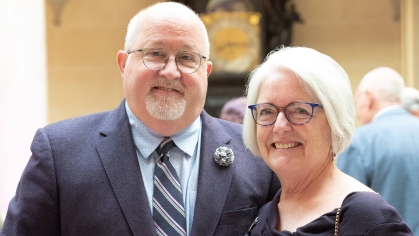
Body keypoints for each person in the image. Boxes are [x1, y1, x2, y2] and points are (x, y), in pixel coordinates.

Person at [0, 2, 280, 236]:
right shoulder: (59, 153)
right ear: (123, 64)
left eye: (186, 57)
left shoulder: (256, 154)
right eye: (155, 54)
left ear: (205, 71)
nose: (171, 71)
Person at [242, 47, 412, 235]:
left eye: (300, 110)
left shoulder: (370, 219)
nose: (280, 126)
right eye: (267, 111)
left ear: (334, 122)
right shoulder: (261, 215)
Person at [337, 67, 419, 235]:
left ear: (368, 98)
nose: (357, 114)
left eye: (356, 100)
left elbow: (345, 212)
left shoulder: (359, 142)